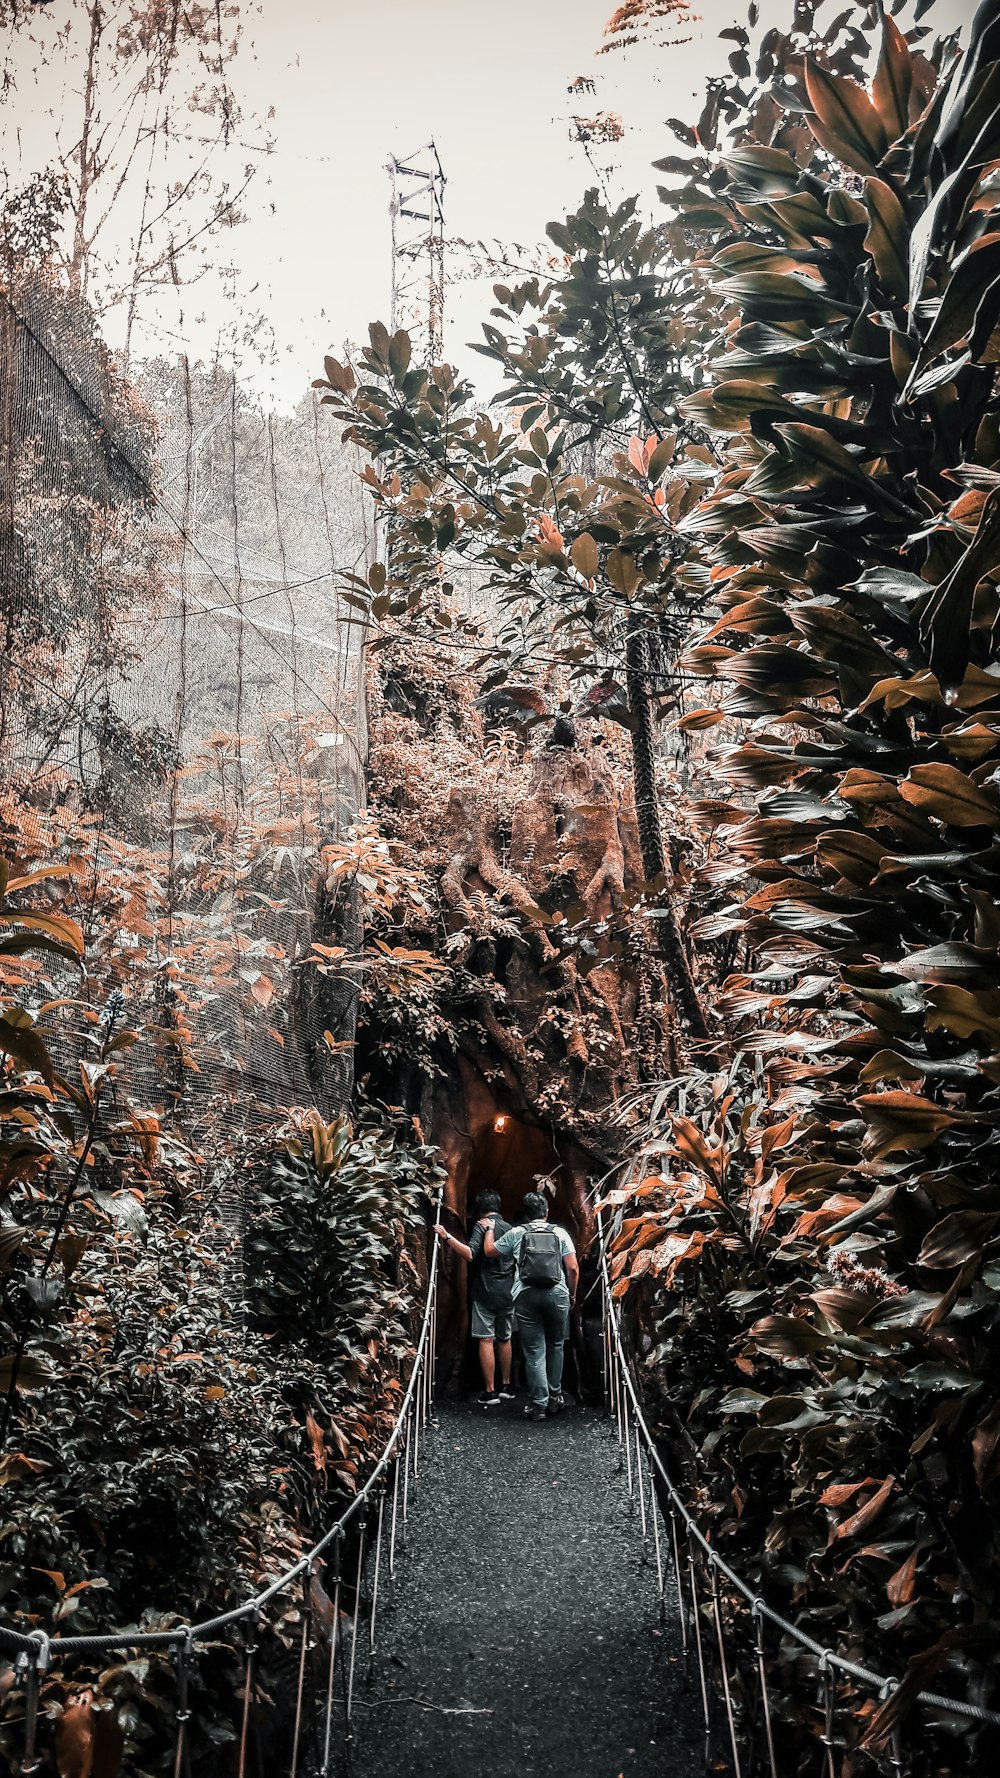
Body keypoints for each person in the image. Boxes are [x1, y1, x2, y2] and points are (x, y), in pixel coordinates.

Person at [484, 1190, 578, 1422]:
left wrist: (488, 1230)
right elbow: (573, 1268)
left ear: (526, 1215)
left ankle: (539, 1405)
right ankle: (555, 1398)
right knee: (556, 1345)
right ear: (547, 1212)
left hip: (525, 1295)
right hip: (557, 1294)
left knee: (534, 1350)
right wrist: (572, 1295)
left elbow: (489, 1251)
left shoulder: (517, 1232)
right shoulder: (560, 1233)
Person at [435, 1191, 516, 1406]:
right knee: (505, 1338)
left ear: (480, 1208)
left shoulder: (482, 1225)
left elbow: (471, 1253)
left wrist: (447, 1237)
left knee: (486, 1338)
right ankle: (506, 1385)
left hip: (485, 1291)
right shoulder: (510, 1228)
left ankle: (490, 1391)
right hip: (508, 1291)